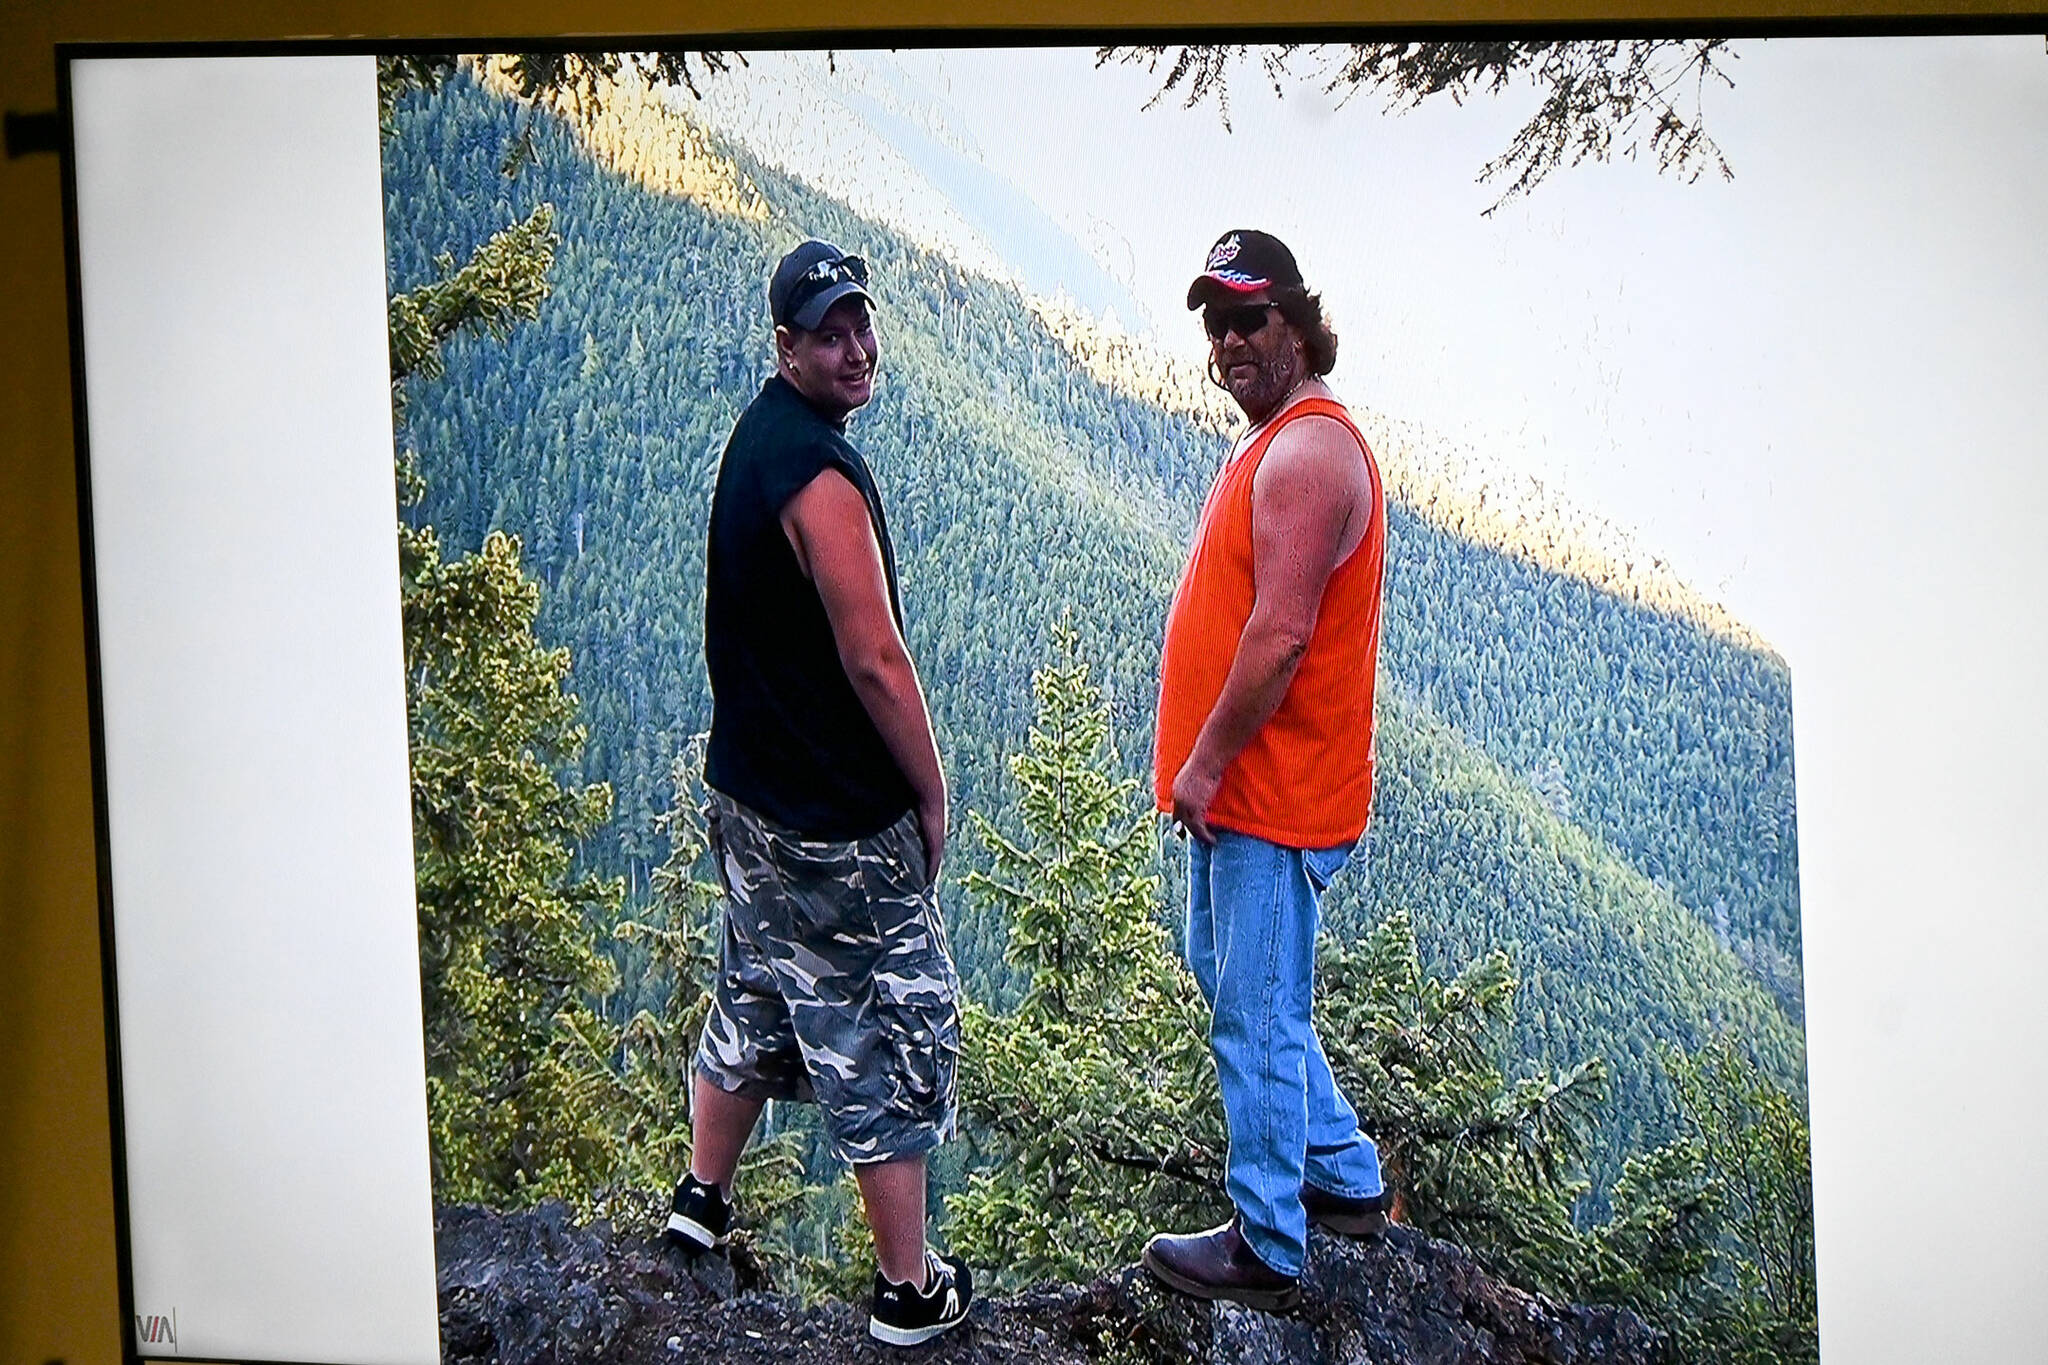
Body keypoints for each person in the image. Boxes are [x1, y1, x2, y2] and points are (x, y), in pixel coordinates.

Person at [668, 239, 972, 1348]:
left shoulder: (761, 437)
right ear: (784, 346)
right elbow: (874, 657)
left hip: (750, 796)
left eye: (861, 326)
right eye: (828, 334)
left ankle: (697, 1206)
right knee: (883, 1022)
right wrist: (929, 796)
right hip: (831, 823)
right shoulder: (815, 472)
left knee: (755, 981)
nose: (855, 350)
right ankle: (906, 1292)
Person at [1143, 229, 1392, 1313]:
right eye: (1215, 321)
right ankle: (1342, 1178)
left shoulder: (1307, 453)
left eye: (1249, 317)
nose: (1229, 340)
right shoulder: (1275, 440)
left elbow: (1278, 637)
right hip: (1251, 790)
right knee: (1237, 980)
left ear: (1296, 322)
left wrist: (1200, 767)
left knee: (1252, 1011)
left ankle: (1268, 1243)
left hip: (1270, 796)